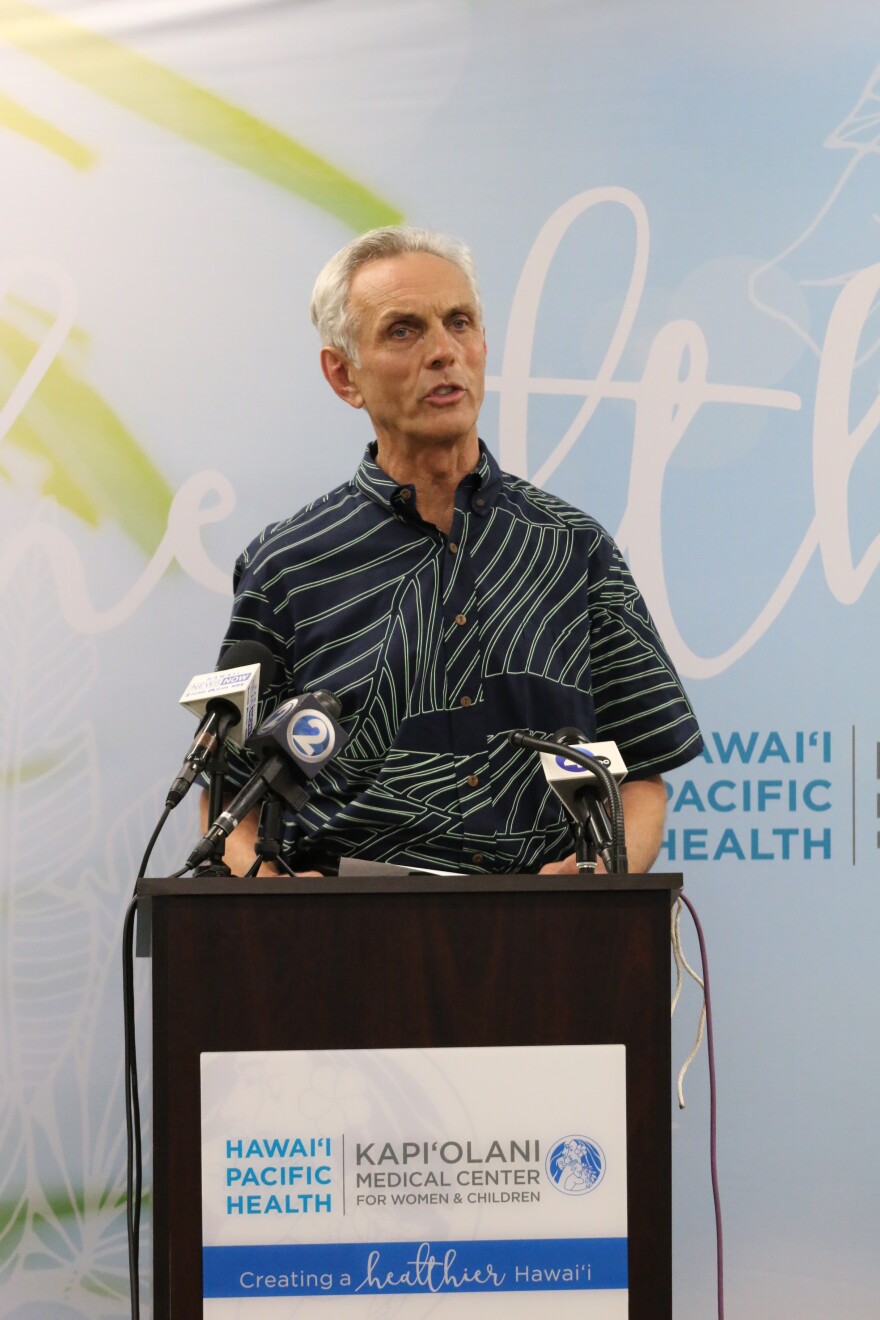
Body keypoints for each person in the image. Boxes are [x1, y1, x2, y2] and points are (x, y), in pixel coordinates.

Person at [208, 226, 703, 876]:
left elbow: (640, 780)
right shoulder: (283, 564)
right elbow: (225, 796)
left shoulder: (574, 550)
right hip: (339, 947)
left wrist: (595, 878)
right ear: (343, 373)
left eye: (460, 323)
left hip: (545, 943)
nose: (444, 352)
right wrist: (271, 897)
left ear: (483, 345)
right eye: (404, 331)